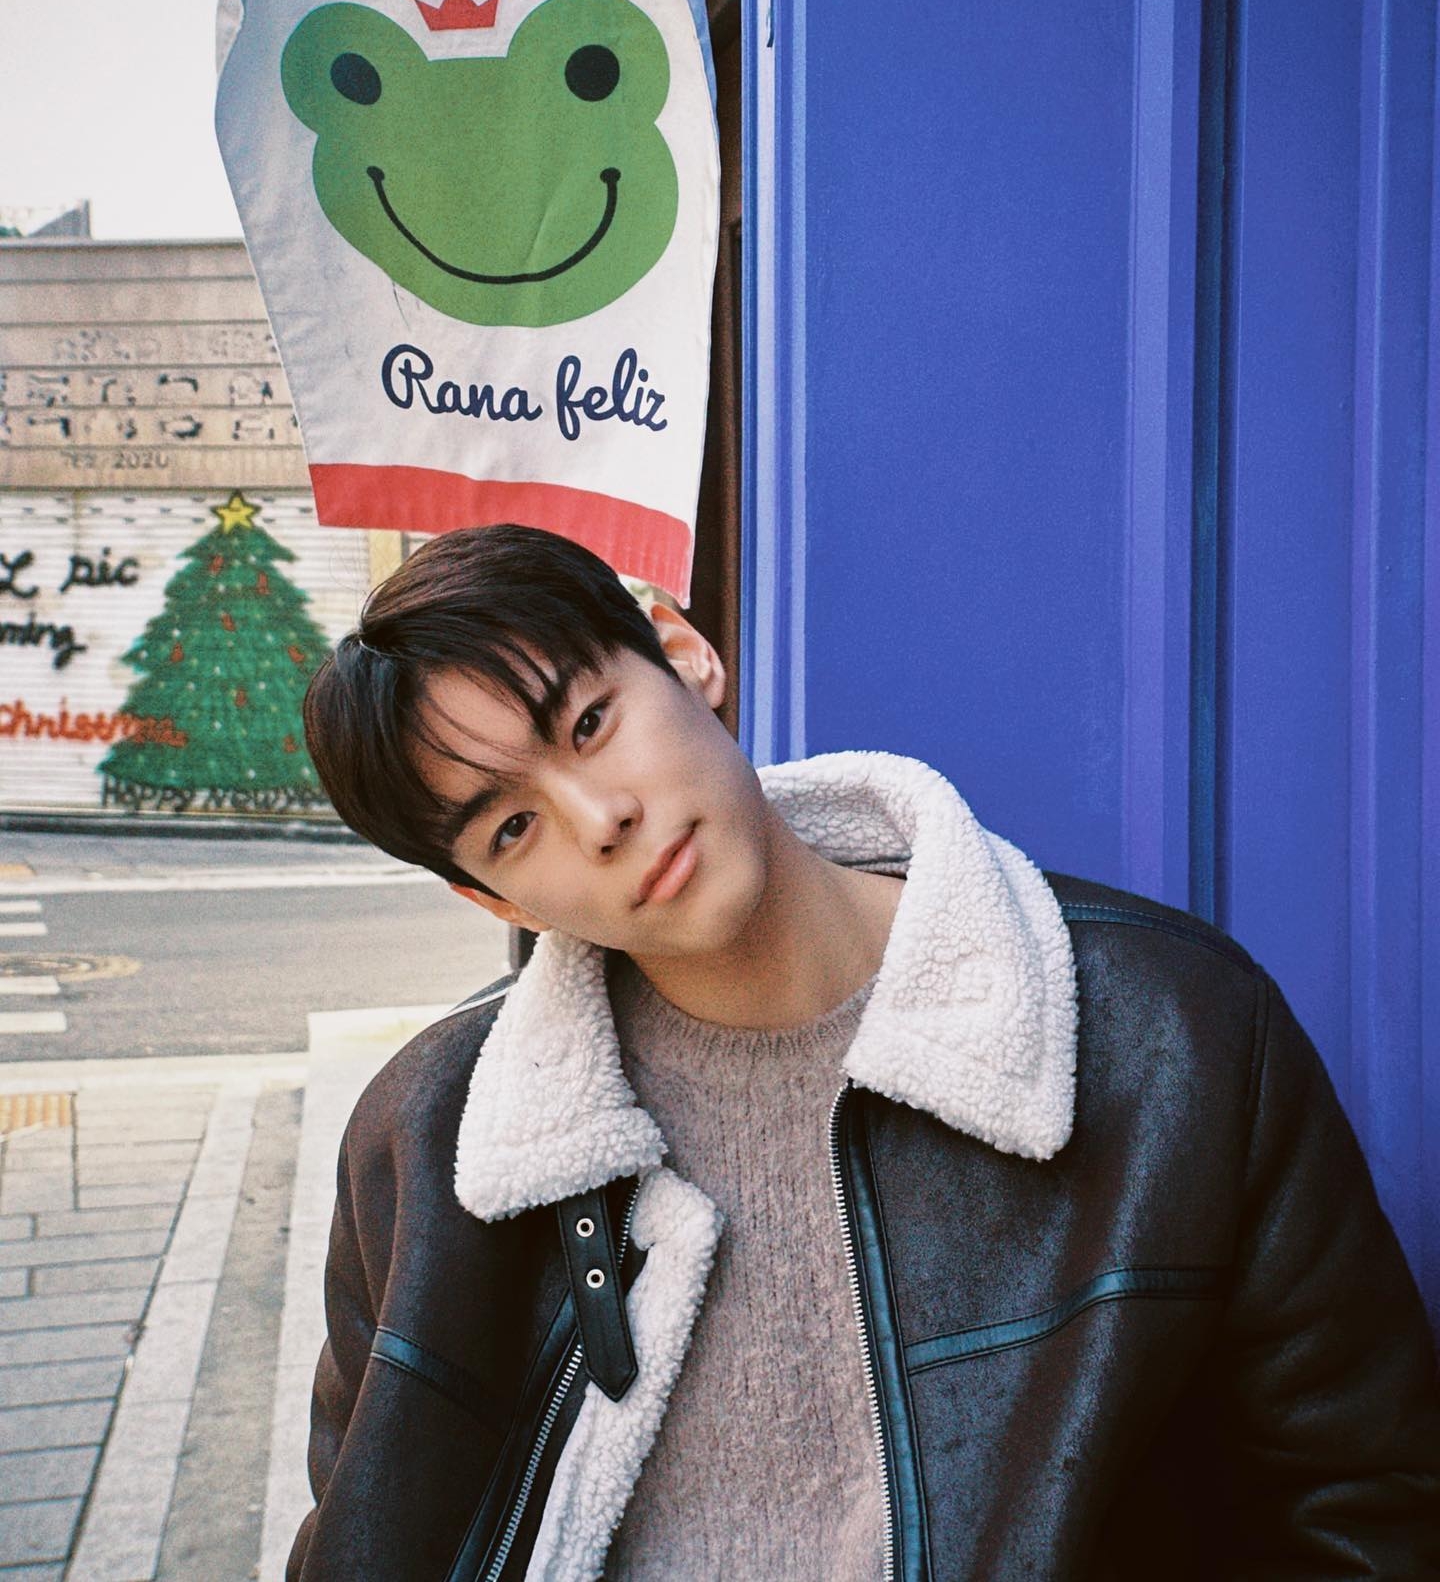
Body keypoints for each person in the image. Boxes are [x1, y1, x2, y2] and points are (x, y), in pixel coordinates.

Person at [289, 521, 1440, 1581]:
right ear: (492, 897)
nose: (601, 819)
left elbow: (1368, 1503)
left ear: (683, 655)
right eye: (514, 827)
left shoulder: (1173, 1033)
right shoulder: (430, 1141)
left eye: (590, 725)